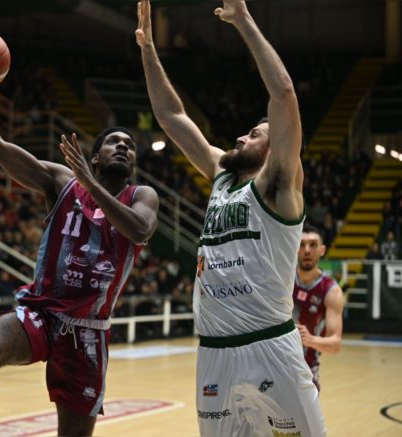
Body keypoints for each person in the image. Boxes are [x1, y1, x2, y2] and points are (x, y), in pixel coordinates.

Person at [0, 44, 159, 437]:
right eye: (114, 142)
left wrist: (93, 185)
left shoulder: (141, 196)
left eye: (129, 146)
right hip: (43, 312)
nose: (124, 147)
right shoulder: (62, 181)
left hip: (89, 329)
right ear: (94, 158)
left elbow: (141, 230)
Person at [137, 0, 325, 435]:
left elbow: (283, 95)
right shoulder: (221, 174)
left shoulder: (278, 185)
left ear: (274, 148)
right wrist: (148, 50)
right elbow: (171, 116)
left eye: (254, 134)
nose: (241, 136)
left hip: (270, 346)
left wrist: (243, 20)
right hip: (215, 352)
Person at [293, 223, 344, 392]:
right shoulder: (282, 280)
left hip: (307, 371)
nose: (307, 250)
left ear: (322, 250)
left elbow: (335, 343)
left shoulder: (331, 290)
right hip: (272, 366)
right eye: (301, 244)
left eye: (313, 245)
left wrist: (310, 339)